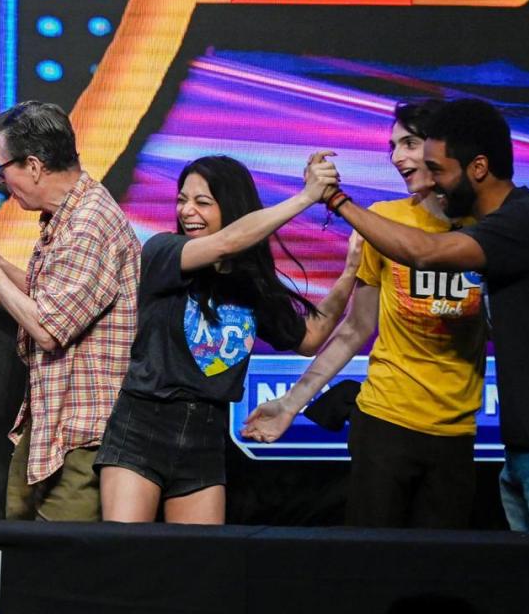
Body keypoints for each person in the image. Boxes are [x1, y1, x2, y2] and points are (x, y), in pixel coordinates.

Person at [308, 98, 529, 533]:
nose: (432, 181)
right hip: (527, 449)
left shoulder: (524, 222)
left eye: (440, 169)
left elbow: (424, 254)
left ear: (479, 168)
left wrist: (334, 198)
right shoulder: (502, 228)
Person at [243, 101, 487, 529]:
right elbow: (356, 328)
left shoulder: (491, 227)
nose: (397, 158)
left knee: (443, 571)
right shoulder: (383, 221)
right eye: (392, 146)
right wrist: (290, 404)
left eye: (409, 144)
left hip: (457, 433)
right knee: (371, 566)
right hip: (385, 424)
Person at [94, 153, 362, 524]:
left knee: (198, 567)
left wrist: (350, 271)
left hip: (205, 441)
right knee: (125, 554)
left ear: (232, 207)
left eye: (202, 202)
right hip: (142, 429)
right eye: (181, 200)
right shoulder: (163, 252)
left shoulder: (250, 282)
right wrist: (305, 197)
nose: (188, 211)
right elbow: (226, 243)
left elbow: (311, 337)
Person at [0, 101, 140, 521]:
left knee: (59, 561)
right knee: (20, 546)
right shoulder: (66, 217)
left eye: (2, 169)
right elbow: (56, 299)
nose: (1, 181)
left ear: (32, 165)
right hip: (53, 422)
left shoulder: (88, 224)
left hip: (84, 433)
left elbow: (48, 328)